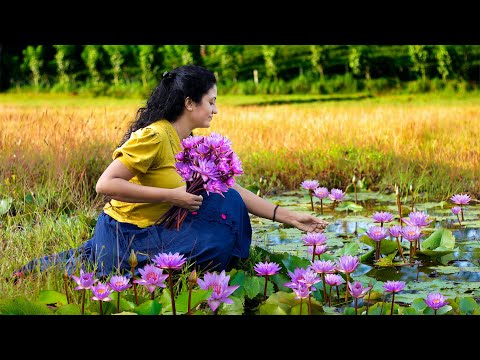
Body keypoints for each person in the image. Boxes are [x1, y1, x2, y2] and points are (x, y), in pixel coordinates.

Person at [12, 64, 328, 281]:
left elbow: (231, 190)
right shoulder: (154, 136)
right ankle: (103, 259)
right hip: (126, 232)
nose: (216, 110)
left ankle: (107, 257)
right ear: (190, 103)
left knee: (228, 206)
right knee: (216, 243)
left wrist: (290, 217)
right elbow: (105, 184)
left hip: (156, 225)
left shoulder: (188, 142)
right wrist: (172, 196)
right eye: (211, 102)